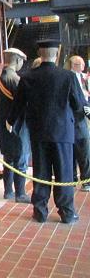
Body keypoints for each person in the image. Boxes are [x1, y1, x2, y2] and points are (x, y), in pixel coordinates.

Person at [9, 39, 86, 224]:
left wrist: (10, 121)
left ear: (39, 54)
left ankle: (40, 211)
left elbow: (18, 105)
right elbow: (79, 105)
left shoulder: (28, 77)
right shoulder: (68, 77)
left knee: (41, 172)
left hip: (38, 132)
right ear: (57, 54)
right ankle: (67, 213)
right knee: (64, 173)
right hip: (63, 133)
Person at [0, 48, 30, 202]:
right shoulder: (15, 79)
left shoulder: (2, 77)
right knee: (21, 159)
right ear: (17, 60)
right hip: (18, 125)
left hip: (4, 125)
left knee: (8, 159)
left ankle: (8, 191)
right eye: (21, 61)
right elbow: (23, 103)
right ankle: (20, 193)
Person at [64, 55, 90, 192]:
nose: (83, 67)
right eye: (81, 64)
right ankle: (73, 180)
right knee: (75, 151)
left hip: (83, 116)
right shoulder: (69, 77)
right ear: (73, 65)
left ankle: (86, 180)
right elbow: (76, 98)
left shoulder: (84, 78)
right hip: (74, 116)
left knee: (84, 150)